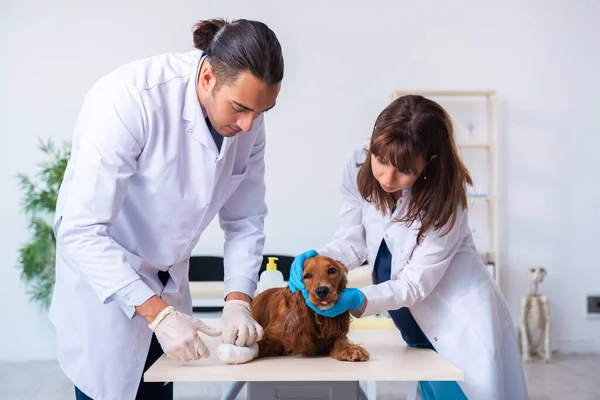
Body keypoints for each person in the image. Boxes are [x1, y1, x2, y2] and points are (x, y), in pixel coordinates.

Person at [49, 17, 284, 400]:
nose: (248, 126)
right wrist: (157, 314)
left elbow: (244, 220)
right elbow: (79, 229)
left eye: (261, 112)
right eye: (240, 109)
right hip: (108, 294)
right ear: (208, 76)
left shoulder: (248, 119)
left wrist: (239, 300)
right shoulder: (128, 98)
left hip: (170, 288)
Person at [288, 95, 528, 400]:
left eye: (404, 170)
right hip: (412, 324)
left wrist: (358, 297)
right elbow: (353, 240)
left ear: (429, 161)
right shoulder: (358, 167)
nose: (388, 178)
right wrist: (320, 262)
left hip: (455, 320)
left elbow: (415, 284)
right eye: (381, 159)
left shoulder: (446, 202)